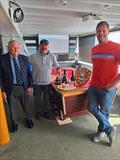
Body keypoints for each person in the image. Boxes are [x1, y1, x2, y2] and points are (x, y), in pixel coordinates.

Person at [88, 21, 120, 146]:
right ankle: (109, 129)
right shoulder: (94, 49)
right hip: (93, 85)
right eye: (98, 31)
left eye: (103, 30)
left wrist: (113, 85)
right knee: (91, 108)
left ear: (108, 32)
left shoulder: (116, 47)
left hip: (108, 88)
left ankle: (101, 131)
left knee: (104, 112)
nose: (101, 33)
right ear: (96, 33)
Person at [0, 40, 34, 132]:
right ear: (8, 47)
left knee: (26, 105)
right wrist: (3, 91)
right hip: (10, 88)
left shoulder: (24, 58)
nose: (16, 49)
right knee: (12, 107)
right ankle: (14, 123)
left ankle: (28, 119)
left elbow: (29, 73)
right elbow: (0, 77)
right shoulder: (2, 59)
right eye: (13, 47)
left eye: (17, 48)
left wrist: (30, 86)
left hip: (23, 87)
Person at [29, 39, 59, 120]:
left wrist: (58, 70)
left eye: (46, 45)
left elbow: (56, 66)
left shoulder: (52, 56)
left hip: (47, 83)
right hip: (36, 83)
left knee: (47, 99)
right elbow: (26, 66)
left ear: (48, 46)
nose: (44, 47)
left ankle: (47, 112)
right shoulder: (32, 56)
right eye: (42, 45)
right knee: (37, 99)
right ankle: (39, 112)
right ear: (39, 45)